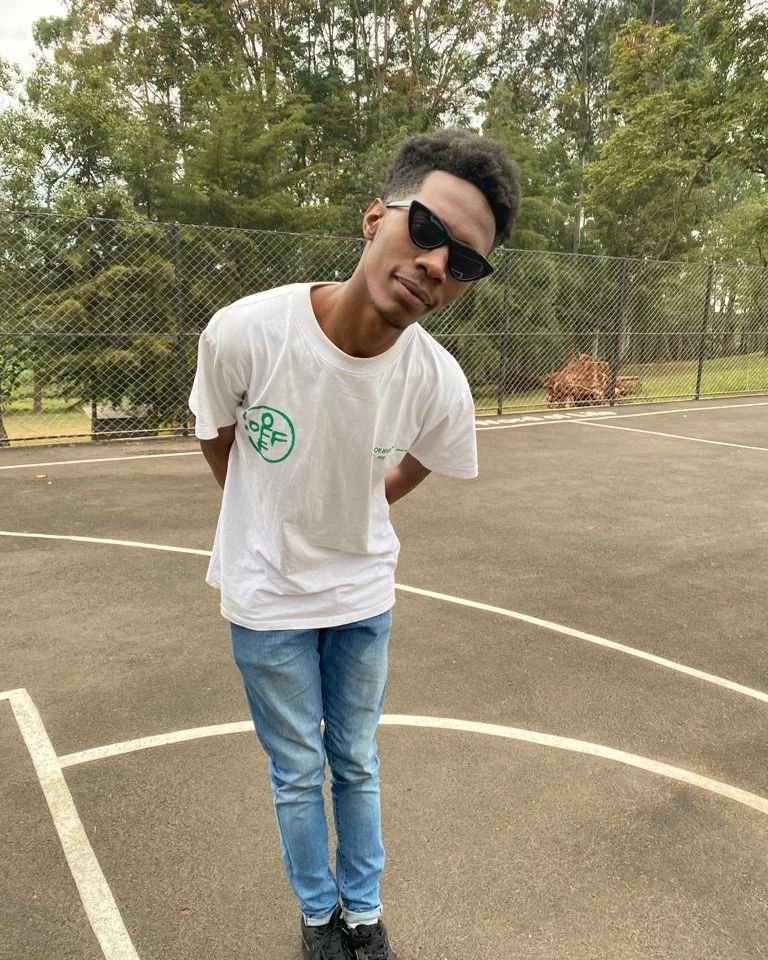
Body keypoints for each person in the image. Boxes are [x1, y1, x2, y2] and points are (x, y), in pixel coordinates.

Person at [189, 128, 520, 960]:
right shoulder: (245, 333)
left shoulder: (438, 383)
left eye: (465, 261)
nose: (436, 263)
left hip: (362, 594)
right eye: (427, 229)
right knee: (298, 771)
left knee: (356, 760)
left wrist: (366, 499)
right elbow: (216, 433)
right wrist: (263, 506)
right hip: (266, 594)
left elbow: (430, 456)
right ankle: (317, 917)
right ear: (376, 217)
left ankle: (363, 917)